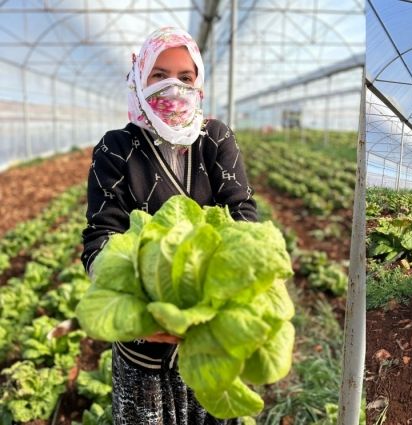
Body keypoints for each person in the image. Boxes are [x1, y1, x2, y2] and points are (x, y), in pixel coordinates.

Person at [81, 27, 256, 423]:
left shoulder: (215, 138)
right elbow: (99, 239)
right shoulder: (116, 148)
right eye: (159, 75)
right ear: (139, 78)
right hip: (144, 350)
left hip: (211, 338)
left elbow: (242, 213)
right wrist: (143, 315)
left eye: (185, 77)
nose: (173, 87)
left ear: (199, 84)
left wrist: (229, 294)